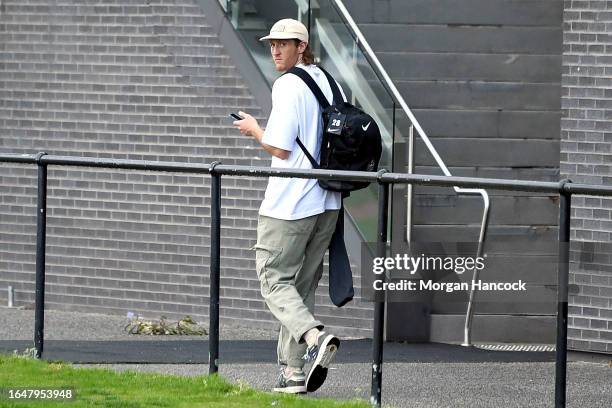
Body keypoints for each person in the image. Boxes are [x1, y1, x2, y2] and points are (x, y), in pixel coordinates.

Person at [233, 18, 344, 394]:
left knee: (273, 279)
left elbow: (279, 147)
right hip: (328, 201)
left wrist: (253, 129)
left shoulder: (288, 84)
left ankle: (314, 338)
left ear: (302, 46)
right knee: (300, 287)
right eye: (271, 45)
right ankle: (293, 373)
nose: (276, 51)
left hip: (290, 204)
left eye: (284, 44)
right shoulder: (330, 81)